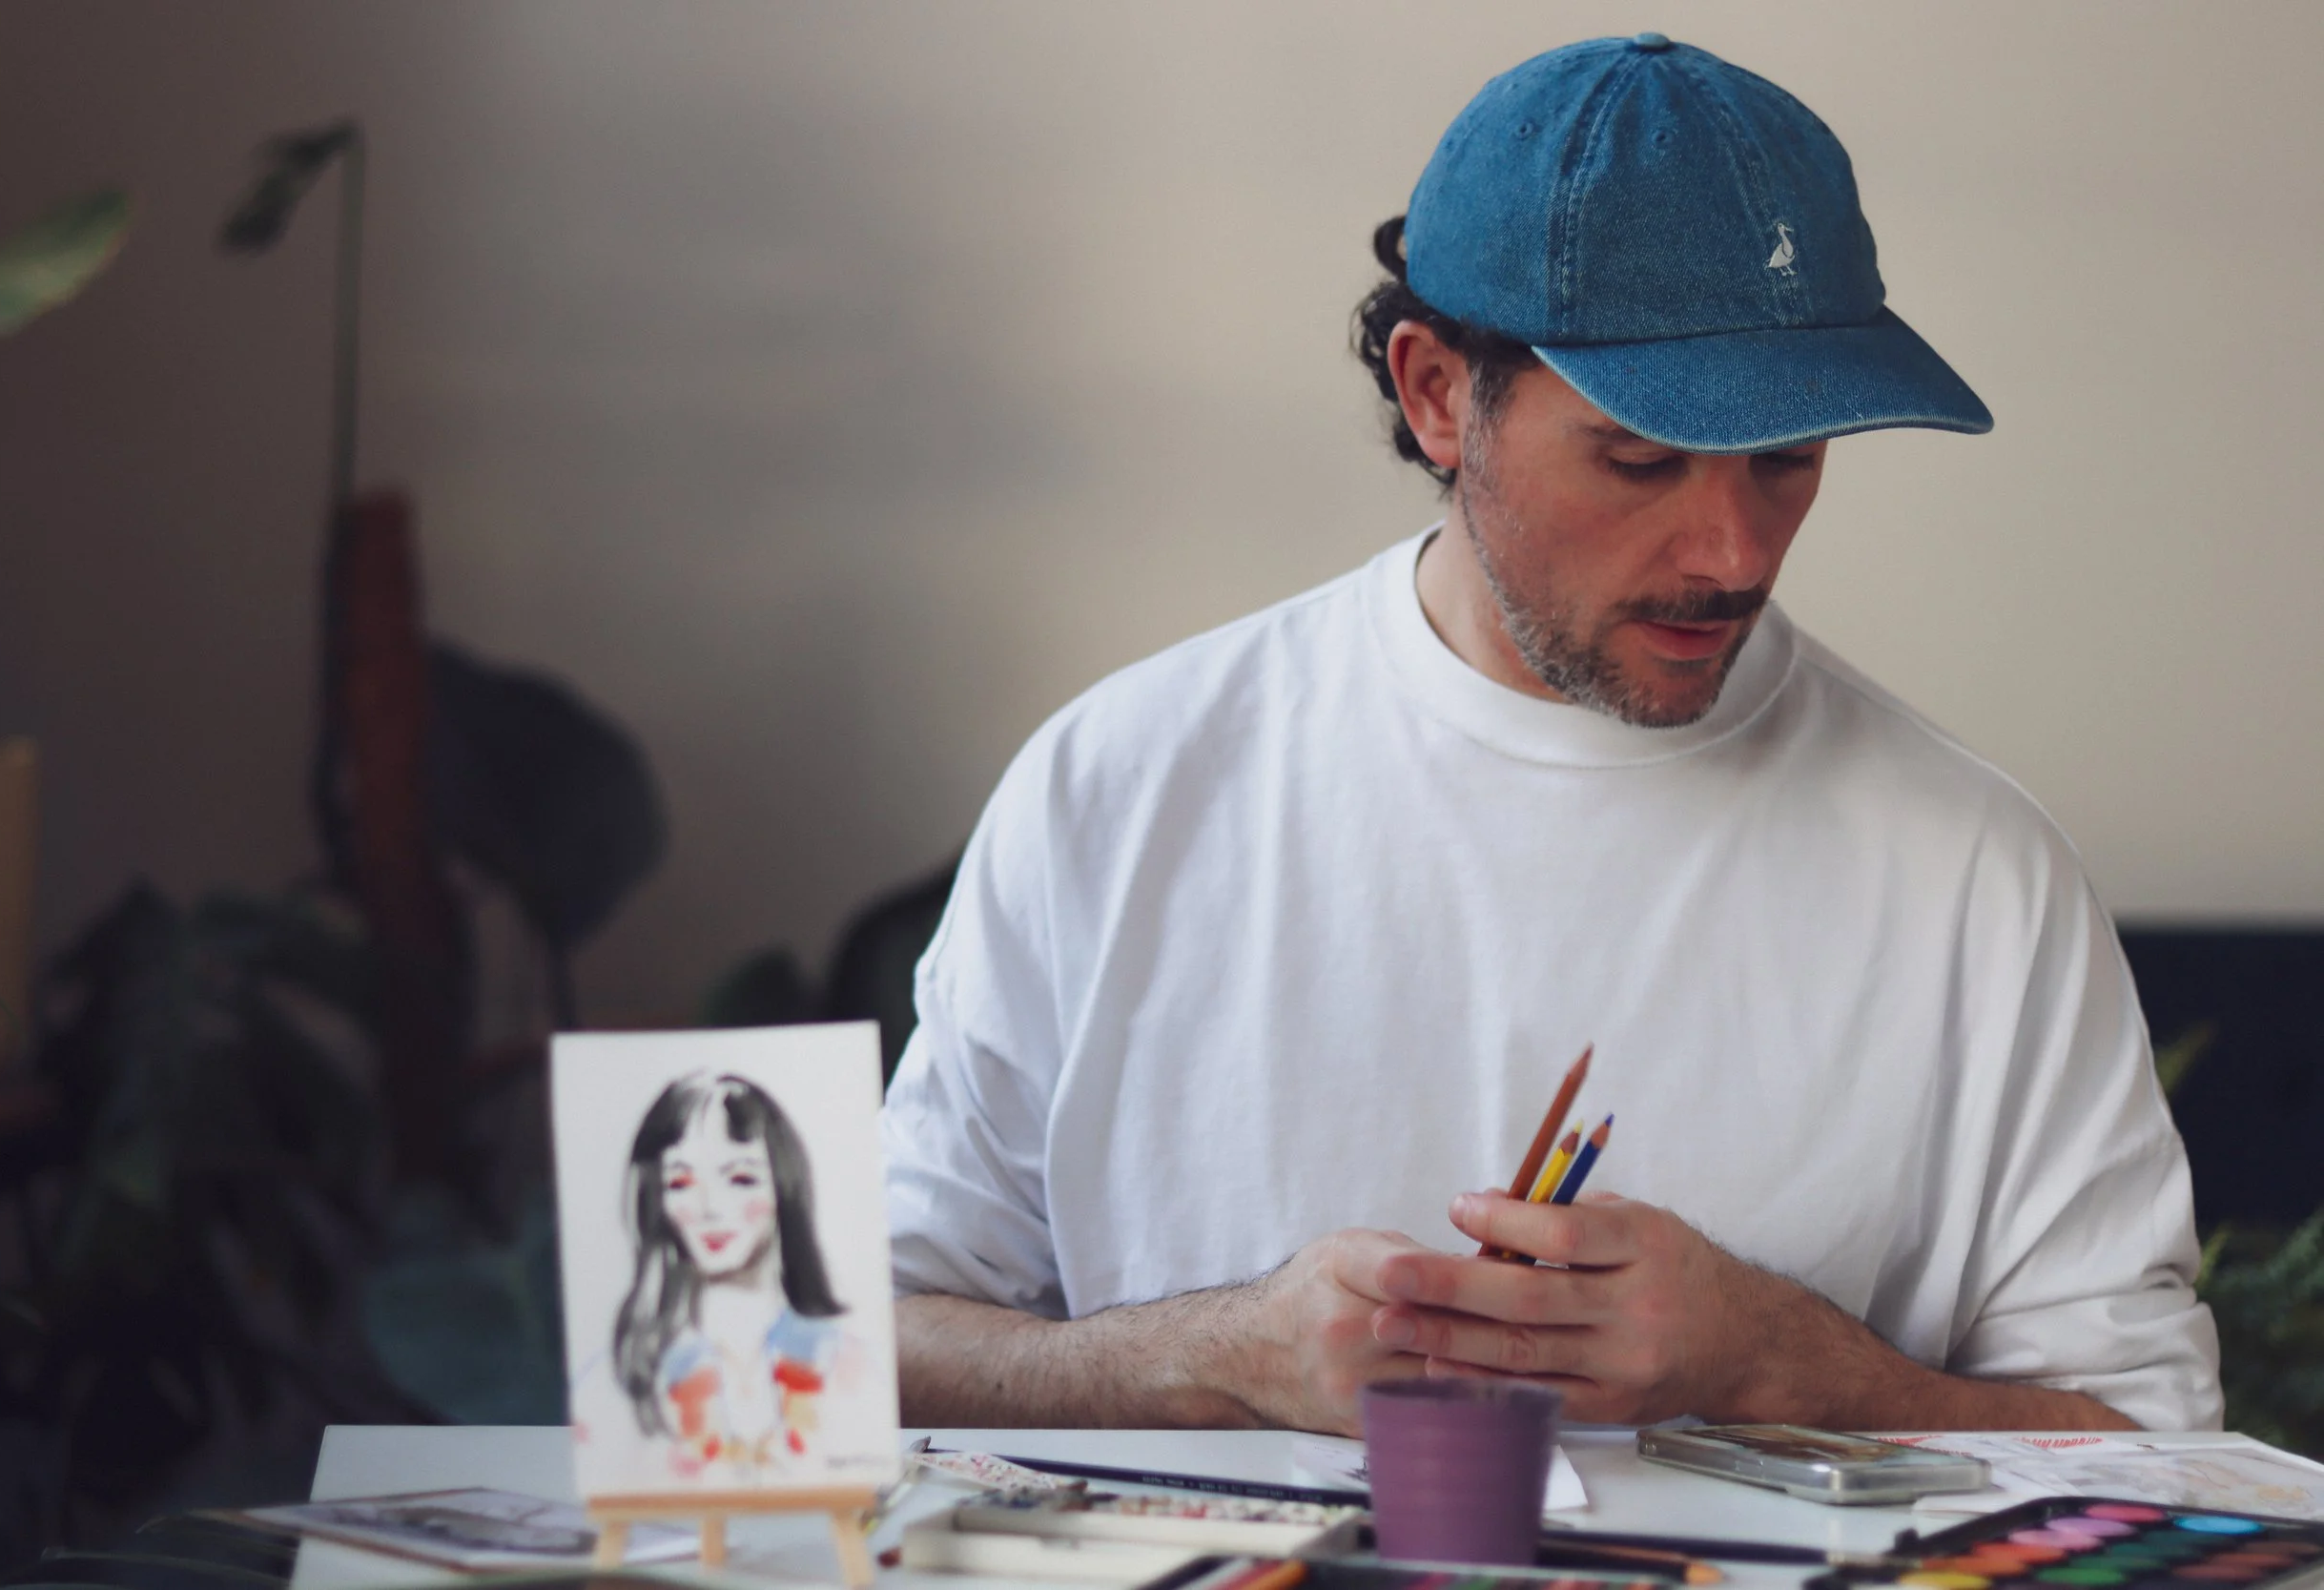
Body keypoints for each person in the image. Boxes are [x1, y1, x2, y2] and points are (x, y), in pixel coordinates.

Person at [879, 35, 2222, 1434]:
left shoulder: (1976, 873)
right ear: (1437, 395)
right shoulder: (1119, 788)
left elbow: (2159, 1451)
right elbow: (861, 1336)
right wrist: (1209, 1357)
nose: (1734, 551)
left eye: (1788, 456)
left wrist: (1776, 1360)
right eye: (1640, 458)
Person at [613, 1071, 848, 1474]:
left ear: (784, 1184)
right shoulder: (638, 1366)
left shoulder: (840, 1353)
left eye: (740, 1179)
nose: (710, 1208)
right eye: (680, 1182)